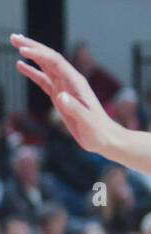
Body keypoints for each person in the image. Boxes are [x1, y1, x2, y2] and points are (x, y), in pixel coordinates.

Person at [13, 33, 151, 176]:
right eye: (83, 60)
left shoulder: (103, 79)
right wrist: (108, 136)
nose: (88, 62)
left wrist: (109, 135)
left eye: (88, 59)